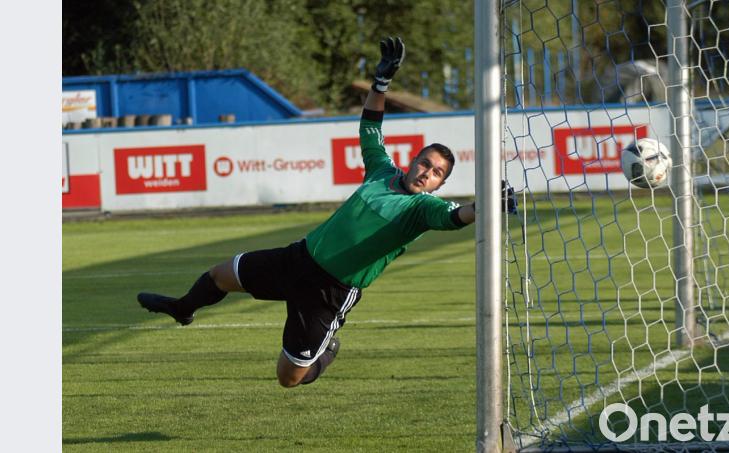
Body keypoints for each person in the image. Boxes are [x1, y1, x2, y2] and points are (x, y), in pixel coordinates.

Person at [138, 37, 506, 388]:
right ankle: (182, 308)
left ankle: (325, 353)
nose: (427, 173)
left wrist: (488, 203)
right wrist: (380, 83)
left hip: (329, 292)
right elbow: (370, 126)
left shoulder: (423, 208)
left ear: (439, 185)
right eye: (425, 163)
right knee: (220, 274)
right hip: (297, 259)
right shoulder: (381, 170)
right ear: (413, 161)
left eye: (437, 173)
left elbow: (456, 217)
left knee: (288, 378)